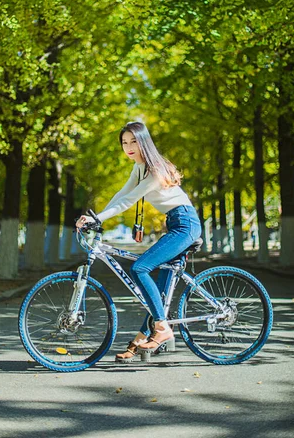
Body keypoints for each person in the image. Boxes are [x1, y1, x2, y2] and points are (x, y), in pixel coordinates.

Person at [76, 121, 202, 362]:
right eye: (124, 142)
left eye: (133, 141)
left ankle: (162, 329)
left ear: (143, 141)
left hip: (185, 224)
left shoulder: (155, 171)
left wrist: (99, 218)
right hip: (176, 224)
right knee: (161, 293)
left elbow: (129, 200)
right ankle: (143, 338)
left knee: (140, 267)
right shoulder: (140, 167)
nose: (129, 147)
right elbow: (120, 194)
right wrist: (95, 217)